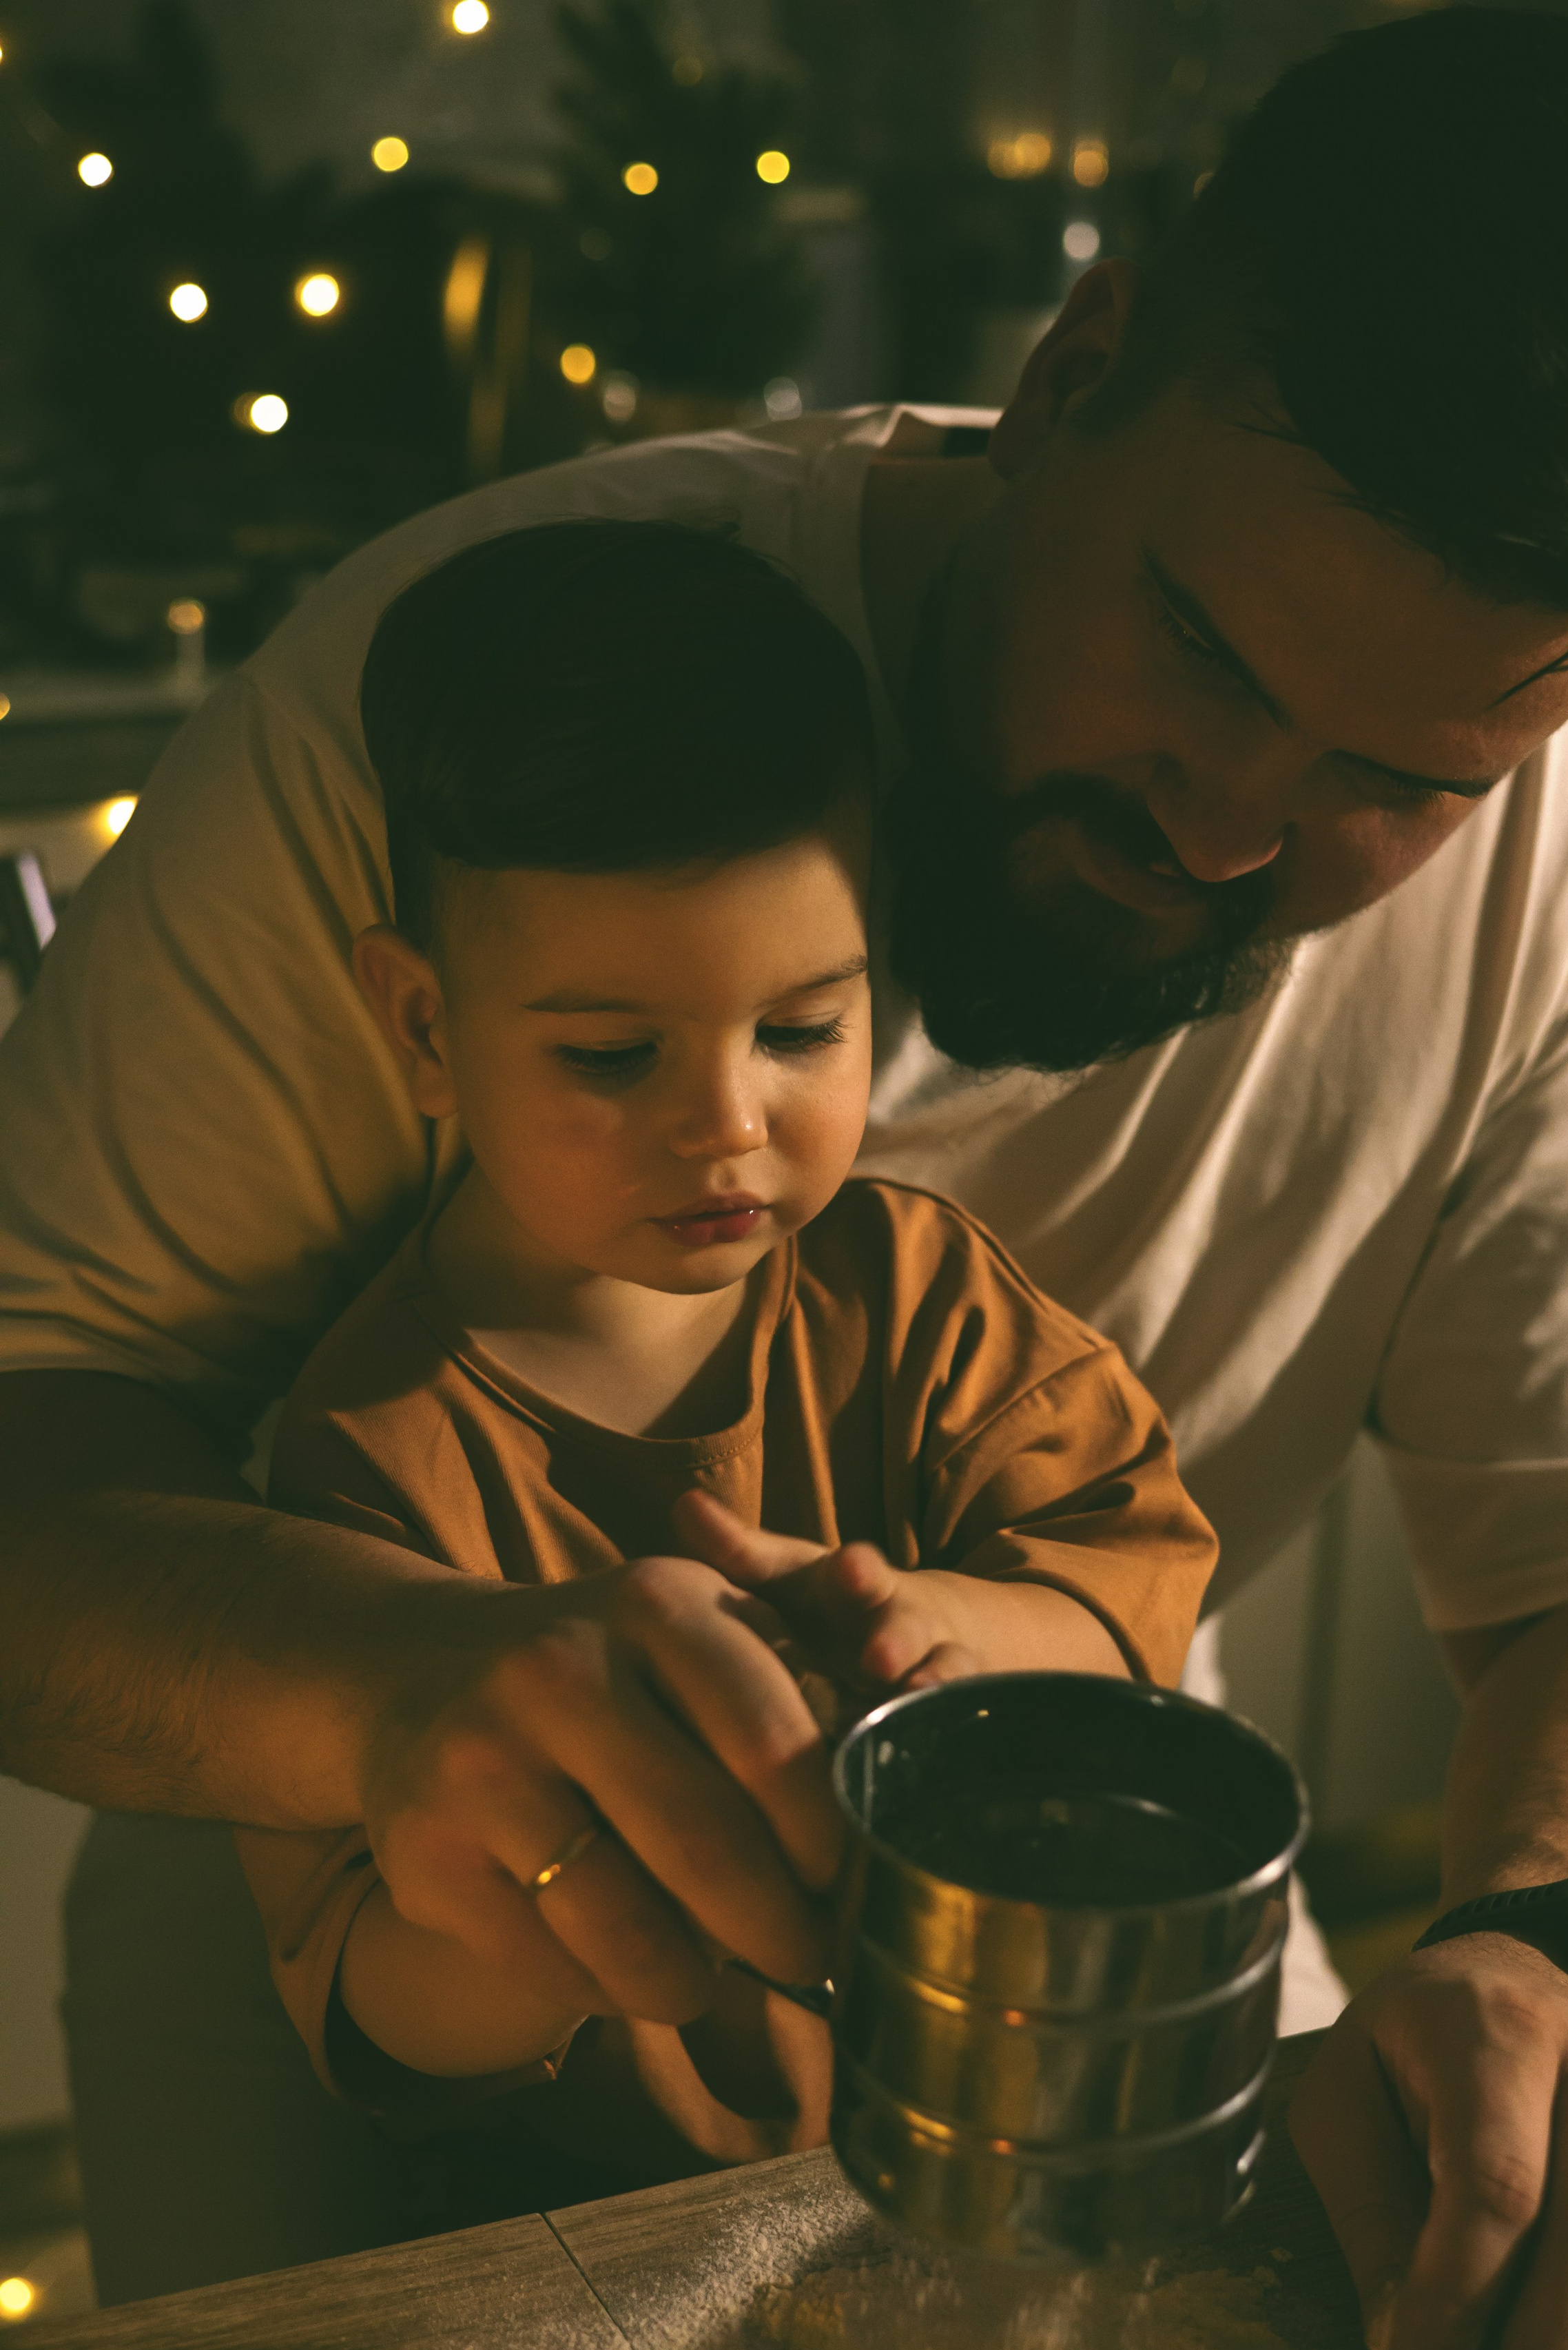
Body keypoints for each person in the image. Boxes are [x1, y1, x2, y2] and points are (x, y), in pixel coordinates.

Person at [3, 8, 1568, 2350]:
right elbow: (27, 1452)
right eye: (1211, 660)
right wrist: (405, 1685)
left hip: (1103, 1925)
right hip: (359, 1998)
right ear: (1084, 359)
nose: (1239, 832)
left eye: (1400, 783)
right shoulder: (471, 712)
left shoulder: (1557, 868)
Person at [233, 515, 1216, 2203]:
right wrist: (569, 1882)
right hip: (580, 2241)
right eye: (613, 1054)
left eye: (800, 1031)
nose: (727, 1126)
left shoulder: (916, 1293)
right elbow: (367, 2006)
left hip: (973, 2159)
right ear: (421, 1029)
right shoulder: (364, 1449)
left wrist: (927, 1636)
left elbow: (1128, 1605)